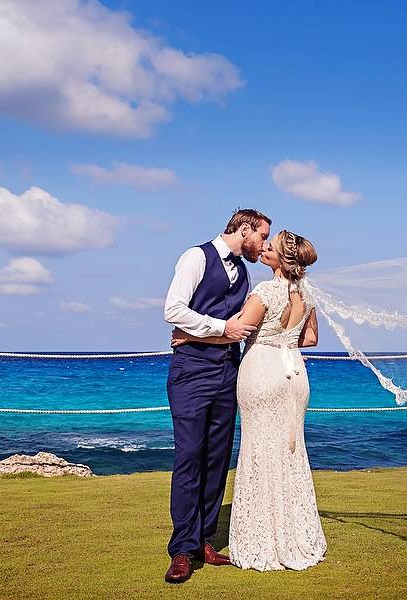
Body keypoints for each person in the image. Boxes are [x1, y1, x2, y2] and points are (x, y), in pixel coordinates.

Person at [172, 230, 327, 571]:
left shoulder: (264, 292)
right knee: (290, 450)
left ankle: (263, 539)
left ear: (281, 260)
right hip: (294, 375)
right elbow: (312, 338)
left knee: (258, 449)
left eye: (270, 247)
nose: (264, 249)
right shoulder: (306, 293)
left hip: (263, 373)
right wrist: (283, 340)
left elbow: (236, 331)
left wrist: (187, 335)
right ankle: (294, 533)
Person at [162, 209, 271, 584]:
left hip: (229, 372)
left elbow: (244, 327)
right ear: (244, 229)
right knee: (189, 456)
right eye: (262, 236)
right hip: (191, 372)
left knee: (217, 458)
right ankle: (181, 549)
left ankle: (204, 540)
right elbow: (173, 310)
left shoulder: (244, 272)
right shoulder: (196, 257)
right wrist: (220, 328)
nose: (264, 244)